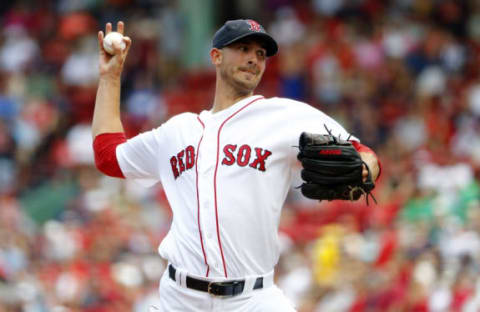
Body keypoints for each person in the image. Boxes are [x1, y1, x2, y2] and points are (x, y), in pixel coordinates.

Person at [92, 19, 380, 311]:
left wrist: (366, 168)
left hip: (253, 299)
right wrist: (110, 78)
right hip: (179, 298)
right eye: (243, 49)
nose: (253, 58)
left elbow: (364, 153)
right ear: (216, 56)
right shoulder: (176, 131)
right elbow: (108, 157)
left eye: (260, 54)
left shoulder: (283, 115)